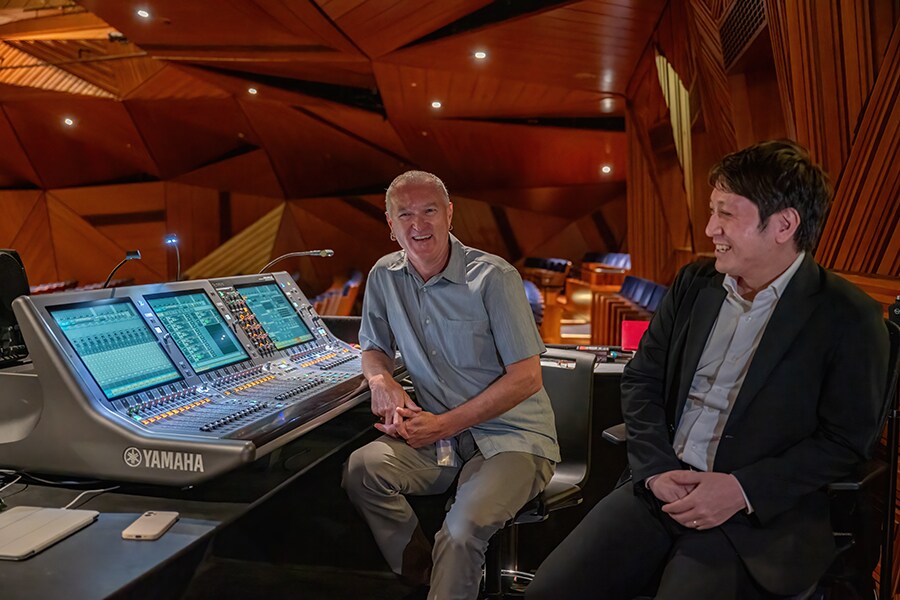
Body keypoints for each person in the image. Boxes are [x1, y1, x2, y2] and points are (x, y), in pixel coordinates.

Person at [526, 140, 889, 599]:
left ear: (784, 224)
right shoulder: (694, 283)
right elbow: (642, 378)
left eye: (726, 214)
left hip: (754, 518)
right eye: (711, 211)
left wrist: (739, 490)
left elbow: (844, 442)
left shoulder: (848, 316)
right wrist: (656, 470)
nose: (710, 228)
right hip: (661, 488)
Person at [342, 170, 560, 600]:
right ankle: (433, 578)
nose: (418, 224)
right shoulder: (384, 275)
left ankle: (450, 575)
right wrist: (381, 379)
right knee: (362, 470)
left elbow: (526, 378)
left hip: (512, 438)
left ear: (449, 214)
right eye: (405, 214)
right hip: (440, 441)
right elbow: (374, 348)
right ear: (390, 224)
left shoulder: (494, 277)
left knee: (460, 532)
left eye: (429, 211)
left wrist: (443, 425)